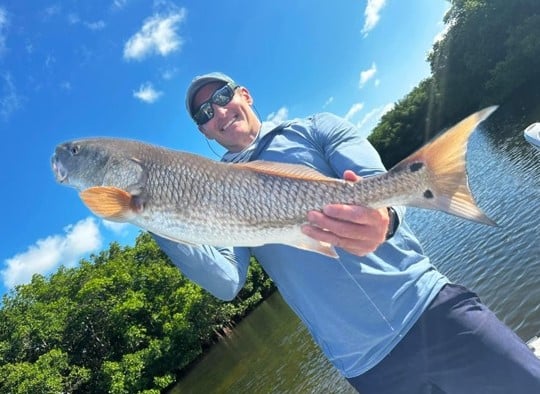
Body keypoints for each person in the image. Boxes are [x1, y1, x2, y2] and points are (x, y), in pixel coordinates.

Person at [153, 72, 540, 393]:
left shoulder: (316, 128)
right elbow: (226, 282)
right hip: (368, 366)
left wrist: (385, 218)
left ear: (245, 95)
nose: (218, 111)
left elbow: (379, 185)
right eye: (204, 112)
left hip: (430, 309)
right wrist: (153, 216)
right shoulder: (216, 191)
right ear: (203, 129)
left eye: (222, 96)